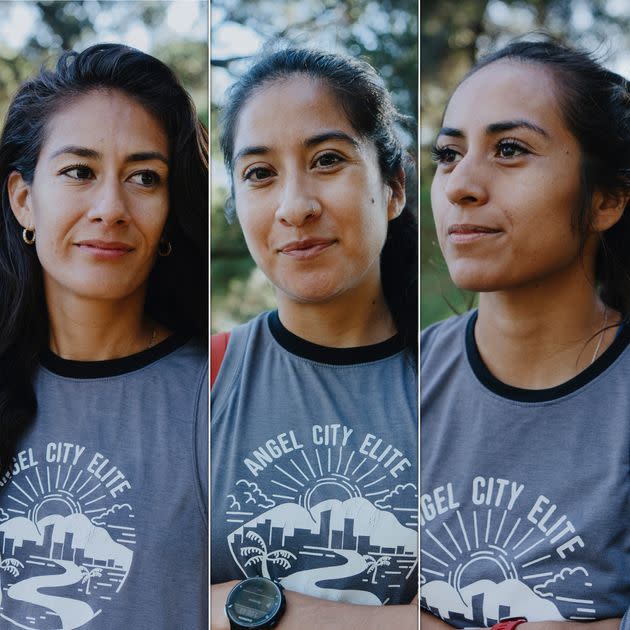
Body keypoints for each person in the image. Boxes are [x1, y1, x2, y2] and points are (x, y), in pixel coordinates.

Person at [421, 39, 630, 630]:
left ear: (608, 198)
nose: (461, 184)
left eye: (509, 149)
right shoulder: (398, 380)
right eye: (448, 155)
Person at [0, 43, 208, 629]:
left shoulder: (211, 397)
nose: (111, 207)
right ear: (23, 200)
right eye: (79, 172)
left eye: (145, 177)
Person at [211, 47, 418, 629]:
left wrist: (269, 613)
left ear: (394, 187)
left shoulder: (461, 385)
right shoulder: (198, 382)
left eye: (327, 160)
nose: (294, 206)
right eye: (259, 174)